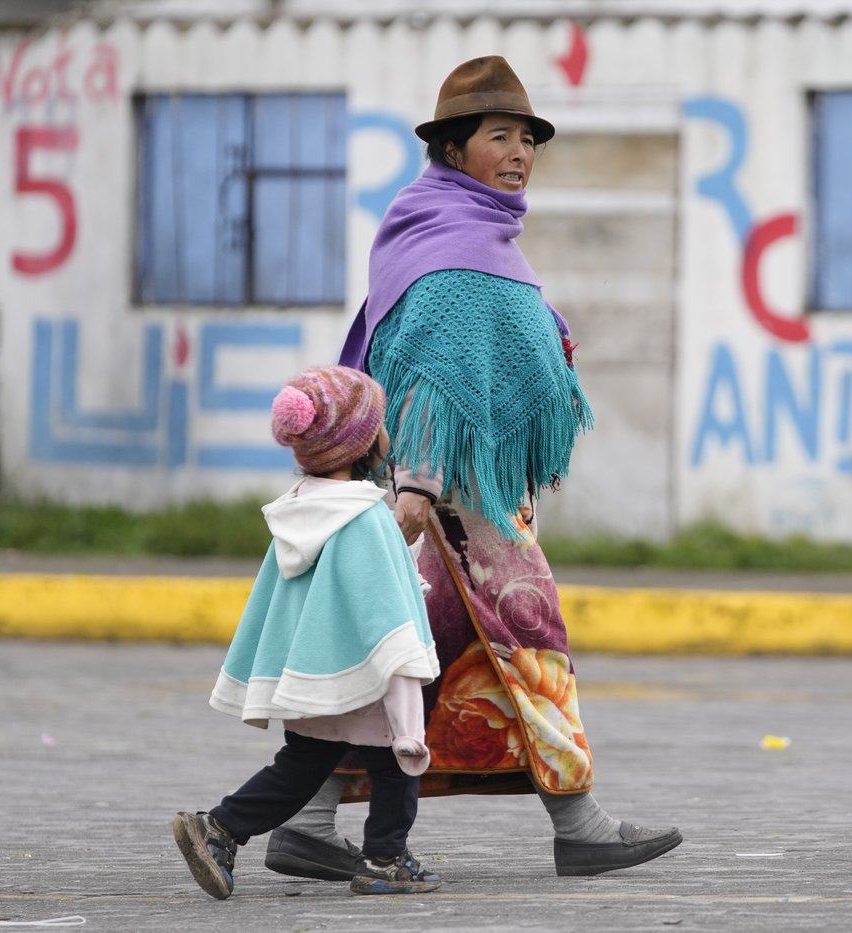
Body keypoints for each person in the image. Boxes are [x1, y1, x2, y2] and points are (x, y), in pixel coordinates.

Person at [264, 55, 683, 881]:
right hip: (453, 500)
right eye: (500, 136)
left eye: (528, 138)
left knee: (409, 659)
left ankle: (306, 820)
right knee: (529, 639)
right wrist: (418, 480)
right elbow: (428, 369)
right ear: (455, 150)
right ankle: (581, 822)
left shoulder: (466, 228)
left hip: (463, 494)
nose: (521, 152)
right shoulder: (450, 246)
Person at [172, 365, 443, 899]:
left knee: (302, 764)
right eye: (380, 423)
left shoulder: (300, 510)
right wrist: (406, 685)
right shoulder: (366, 518)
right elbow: (386, 612)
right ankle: (386, 860)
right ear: (361, 442)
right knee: (395, 763)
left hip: (312, 670)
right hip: (369, 672)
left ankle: (220, 829)